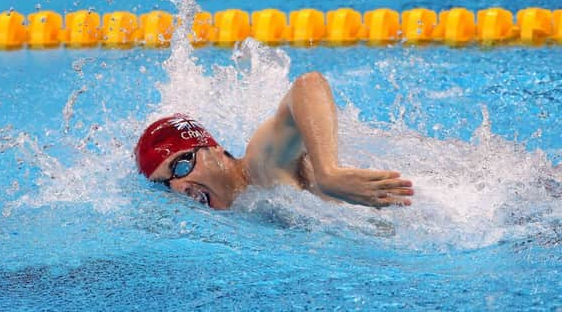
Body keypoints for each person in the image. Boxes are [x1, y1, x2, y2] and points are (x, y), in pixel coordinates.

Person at [134, 71, 414, 209]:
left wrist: (329, 173)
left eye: (181, 166)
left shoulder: (260, 166)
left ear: (214, 150)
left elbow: (308, 85)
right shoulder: (248, 204)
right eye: (165, 184)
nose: (179, 187)